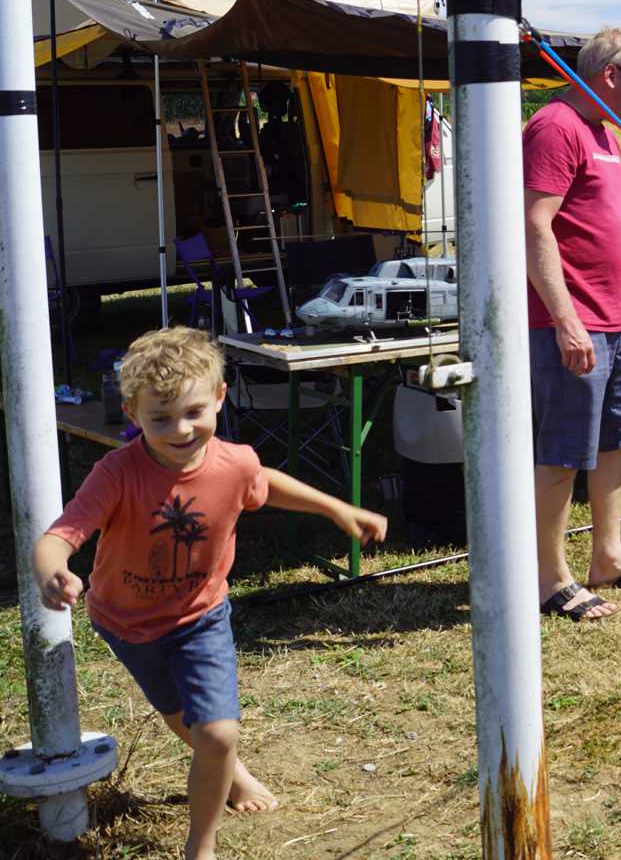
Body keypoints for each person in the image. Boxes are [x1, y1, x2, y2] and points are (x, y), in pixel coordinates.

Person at [31, 327, 387, 860]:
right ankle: (234, 775)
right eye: (160, 419)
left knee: (217, 732)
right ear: (132, 413)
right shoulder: (117, 473)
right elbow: (61, 535)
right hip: (125, 622)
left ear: (220, 397)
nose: (181, 430)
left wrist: (336, 507)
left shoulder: (233, 462)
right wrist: (52, 570)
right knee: (180, 714)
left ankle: (202, 844)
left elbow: (263, 481)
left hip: (200, 617)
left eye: (195, 412)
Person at [525, 26, 621, 622]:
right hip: (574, 322)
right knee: (564, 452)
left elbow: (613, 232)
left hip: (616, 320)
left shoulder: (604, 134)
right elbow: (535, 226)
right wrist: (565, 320)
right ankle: (549, 577)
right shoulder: (555, 128)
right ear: (610, 74)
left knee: (620, 440)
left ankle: (608, 557)